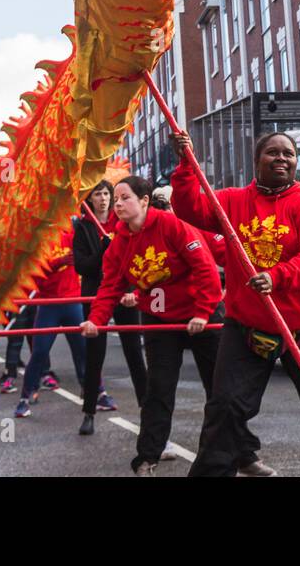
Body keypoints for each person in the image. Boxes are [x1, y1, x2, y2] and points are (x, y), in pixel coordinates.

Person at [170, 131, 300, 477]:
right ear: (257, 162)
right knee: (224, 409)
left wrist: (278, 276)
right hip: (247, 325)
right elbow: (189, 207)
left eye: (288, 153)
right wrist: (185, 165)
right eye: (273, 153)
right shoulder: (233, 201)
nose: (282, 158)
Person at [81, 176, 223, 476]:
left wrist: (202, 312)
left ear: (144, 201)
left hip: (201, 313)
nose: (117, 204)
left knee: (221, 388)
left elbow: (205, 267)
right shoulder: (119, 242)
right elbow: (109, 287)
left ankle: (239, 453)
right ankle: (147, 458)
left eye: (124, 198)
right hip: (160, 319)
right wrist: (95, 319)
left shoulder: (171, 225)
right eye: (115, 199)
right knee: (158, 390)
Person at [74, 180, 149, 436]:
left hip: (124, 293)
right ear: (91, 199)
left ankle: (146, 411)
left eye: (107, 193)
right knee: (95, 355)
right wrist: (103, 253)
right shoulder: (83, 227)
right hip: (97, 295)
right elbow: (82, 267)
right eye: (99, 194)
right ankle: (89, 413)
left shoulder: (123, 223)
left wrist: (132, 290)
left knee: (135, 354)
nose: (104, 199)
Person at [14, 226, 87, 419]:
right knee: (39, 352)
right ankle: (25, 398)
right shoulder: (36, 241)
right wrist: (58, 262)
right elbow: (33, 277)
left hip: (73, 302)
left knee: (83, 351)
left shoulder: (71, 235)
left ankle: (96, 393)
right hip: (48, 305)